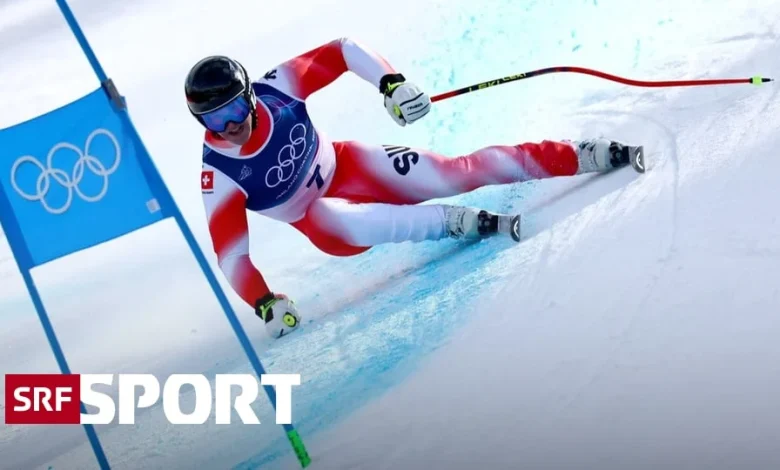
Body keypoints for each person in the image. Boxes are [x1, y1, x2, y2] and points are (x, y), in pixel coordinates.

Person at [185, 37, 637, 338]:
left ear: (248, 95)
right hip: (325, 224)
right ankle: (449, 223)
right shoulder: (219, 172)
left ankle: (577, 155)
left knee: (454, 173)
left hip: (350, 164)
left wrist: (392, 84)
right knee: (330, 215)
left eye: (230, 113)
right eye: (210, 121)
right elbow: (232, 255)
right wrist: (265, 302)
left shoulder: (277, 88)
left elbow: (341, 50)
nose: (227, 129)